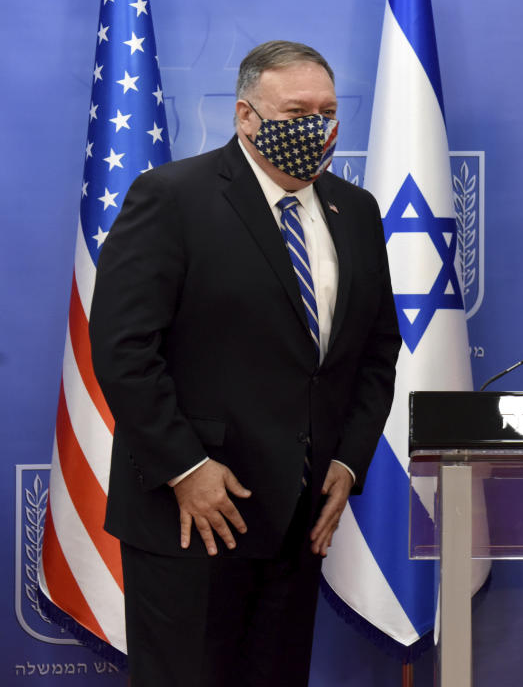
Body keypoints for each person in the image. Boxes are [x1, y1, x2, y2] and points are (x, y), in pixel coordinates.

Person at [89, 40, 401, 686]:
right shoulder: (173, 196)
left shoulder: (357, 210)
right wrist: (186, 468)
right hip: (194, 512)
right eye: (296, 111)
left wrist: (348, 461)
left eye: (327, 111)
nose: (317, 127)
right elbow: (124, 349)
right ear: (245, 116)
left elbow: (374, 351)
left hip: (299, 515)